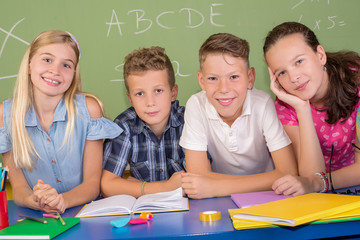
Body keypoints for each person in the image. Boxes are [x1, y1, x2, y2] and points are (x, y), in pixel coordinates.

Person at [0, 30, 121, 213]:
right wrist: (34, 200)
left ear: (74, 73)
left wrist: (61, 201)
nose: (55, 71)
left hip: (87, 213)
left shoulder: (88, 110)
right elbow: (18, 188)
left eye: (66, 65)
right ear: (29, 65)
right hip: (39, 217)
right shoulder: (5, 115)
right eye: (47, 60)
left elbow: (91, 185)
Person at [179, 33, 297, 199]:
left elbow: (288, 172)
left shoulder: (262, 103)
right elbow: (197, 175)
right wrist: (215, 186)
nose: (224, 88)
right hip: (225, 199)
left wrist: (217, 187)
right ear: (201, 80)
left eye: (233, 77)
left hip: (269, 197)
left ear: (250, 78)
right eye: (213, 78)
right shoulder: (196, 105)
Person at [263, 22, 360, 196]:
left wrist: (318, 183)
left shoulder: (356, 80)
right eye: (282, 73)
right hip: (321, 194)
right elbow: (309, 176)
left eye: (299, 61)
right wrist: (302, 109)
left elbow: (313, 182)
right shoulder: (286, 105)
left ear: (320, 55)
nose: (294, 77)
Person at [101, 46, 186, 198]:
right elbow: (107, 185)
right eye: (140, 93)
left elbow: (199, 179)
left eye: (158, 91)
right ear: (130, 99)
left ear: (173, 93)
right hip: (146, 214)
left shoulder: (188, 121)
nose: (150, 102)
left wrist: (135, 187)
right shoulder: (125, 126)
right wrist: (165, 187)